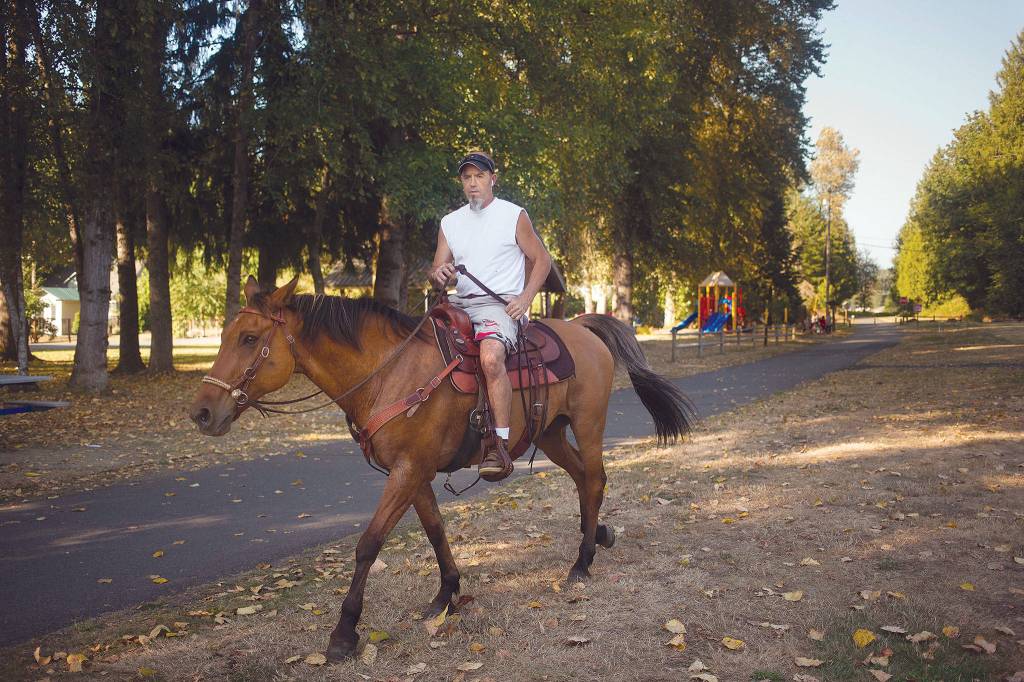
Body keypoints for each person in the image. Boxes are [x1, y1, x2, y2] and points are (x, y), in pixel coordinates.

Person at [430, 151, 551, 481]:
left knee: (491, 357)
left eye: (479, 176)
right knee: (421, 350)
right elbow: (436, 268)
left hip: (500, 306)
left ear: (492, 179)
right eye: (467, 178)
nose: (473, 183)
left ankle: (499, 442)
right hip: (459, 305)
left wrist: (525, 299)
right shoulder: (450, 223)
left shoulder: (513, 215)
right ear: (462, 183)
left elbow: (542, 260)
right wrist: (440, 273)